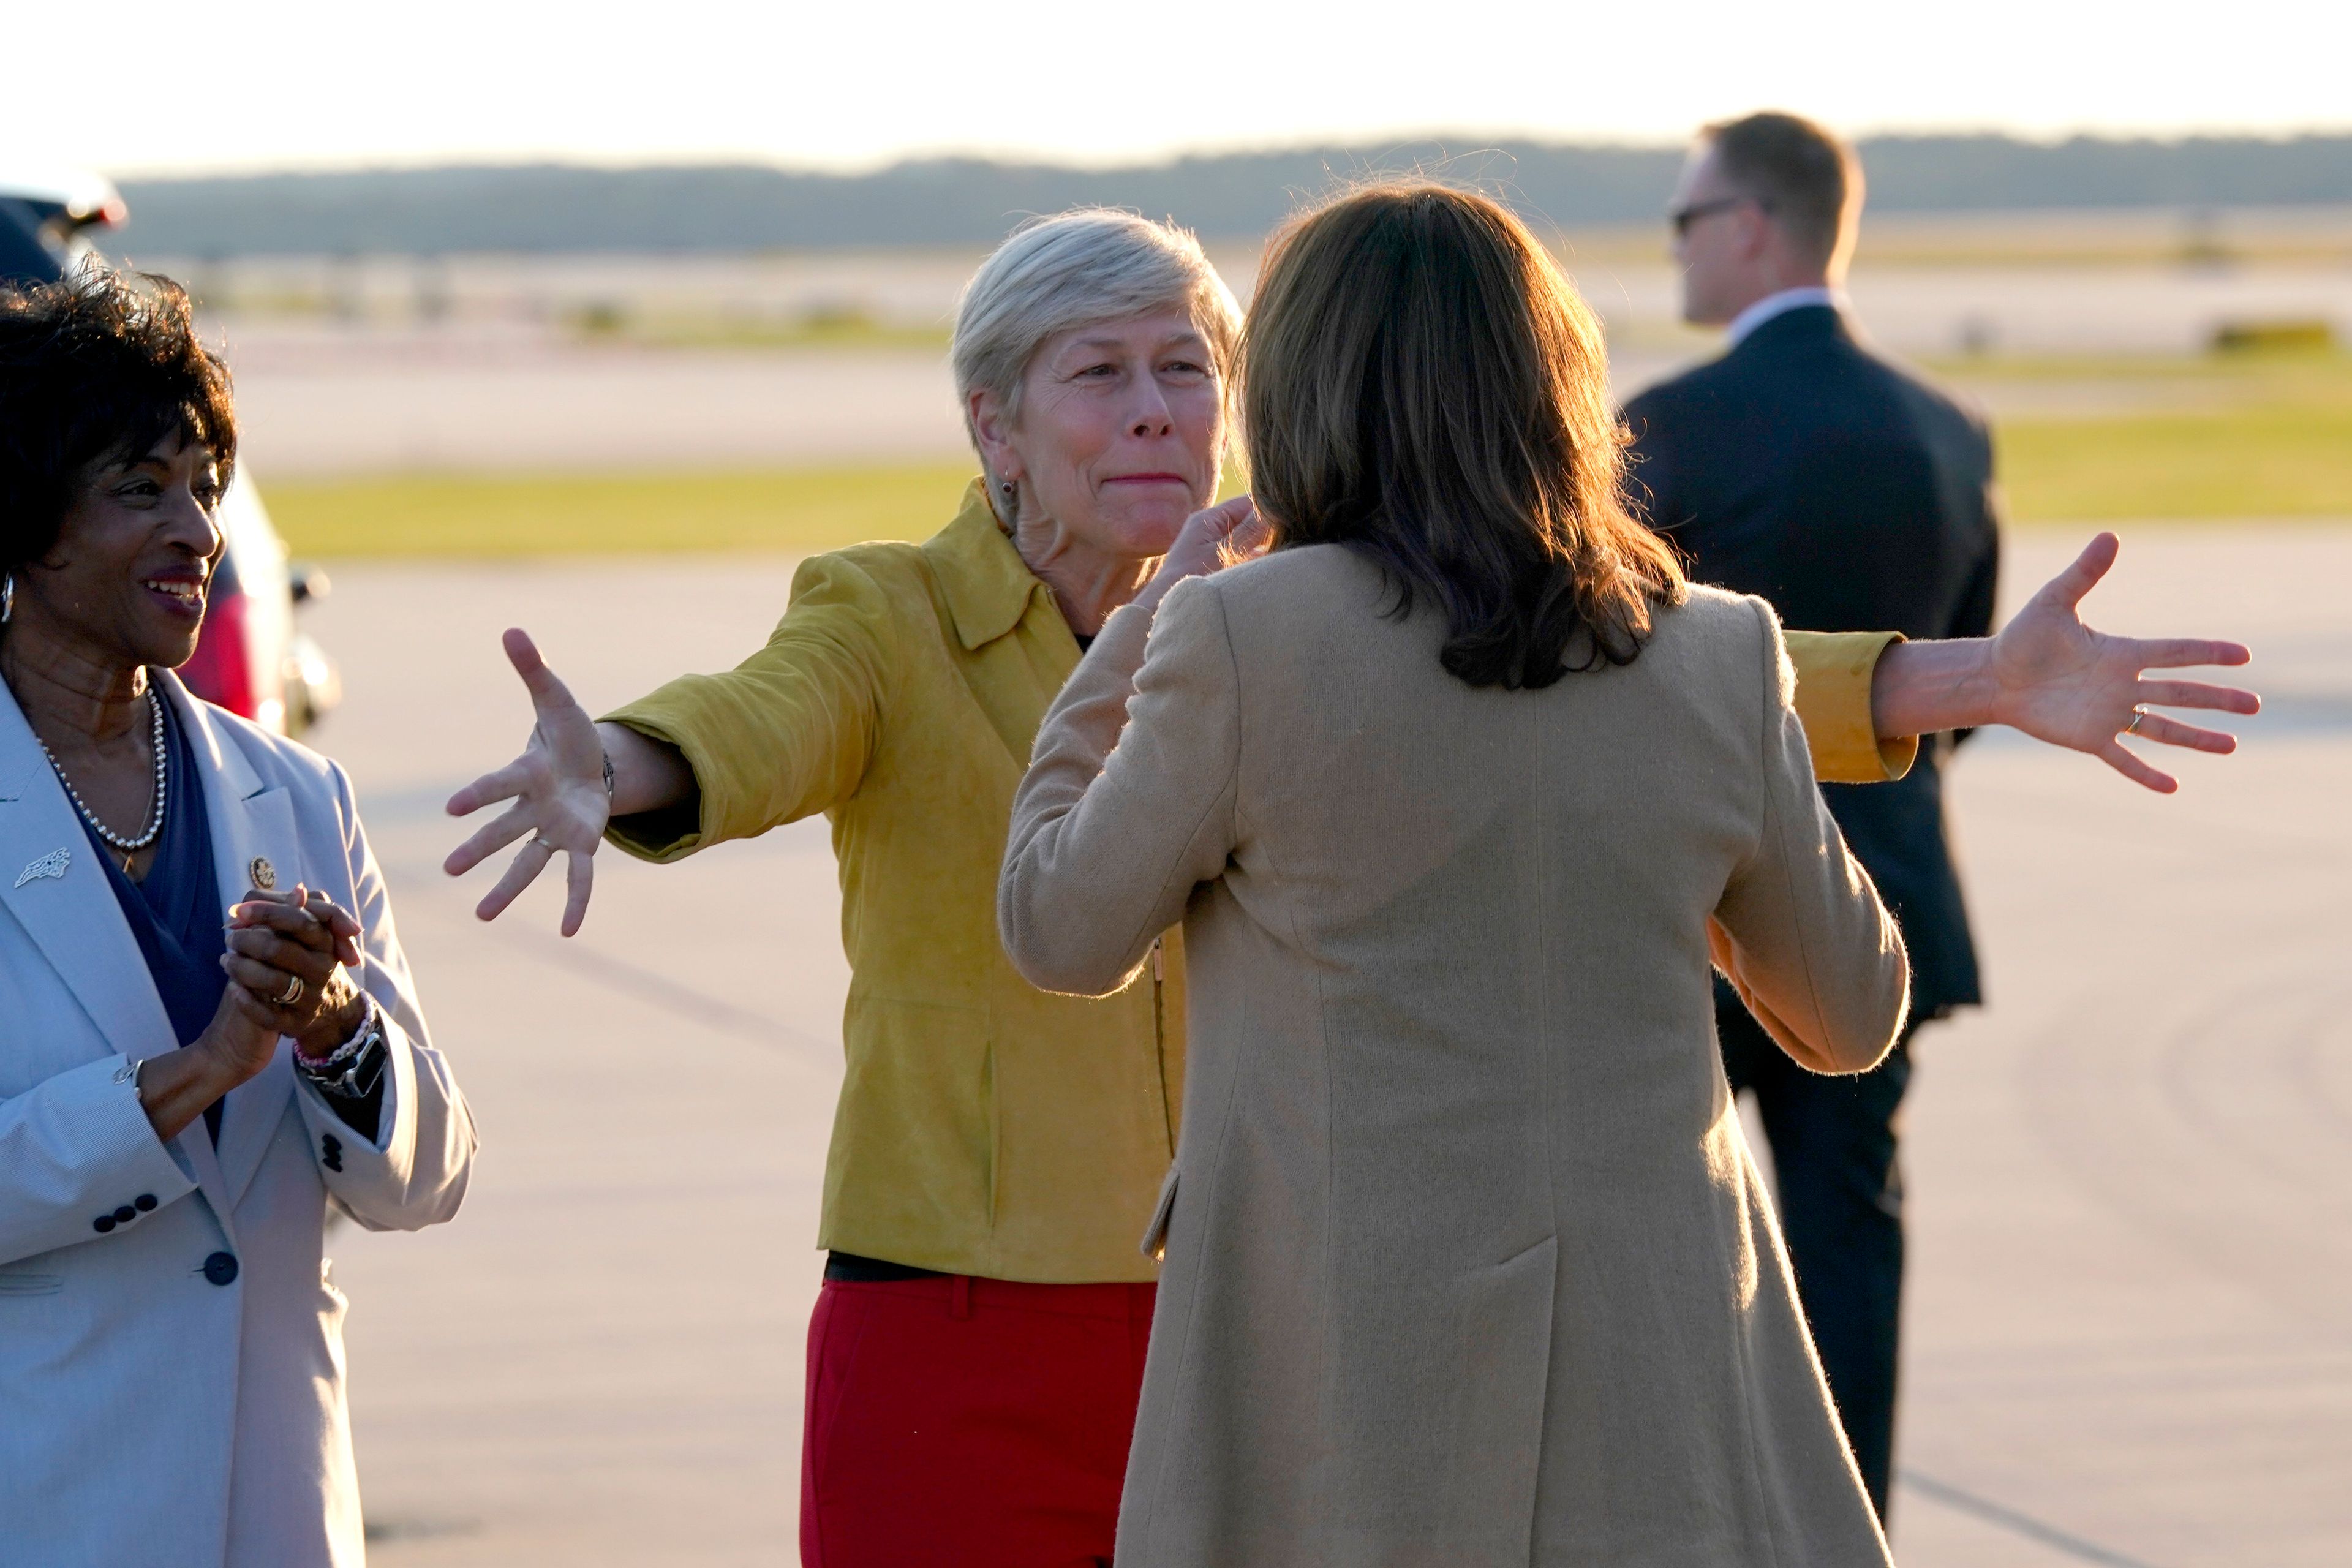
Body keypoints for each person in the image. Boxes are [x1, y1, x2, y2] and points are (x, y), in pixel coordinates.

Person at [450, 210, 2253, 1566]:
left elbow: (1629, 696)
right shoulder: (897, 613)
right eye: (1102, 373)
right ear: (994, 427)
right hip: (993, 1327)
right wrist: (608, 768)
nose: (1156, 411)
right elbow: (758, 724)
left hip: (1294, 1345)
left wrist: (1964, 679)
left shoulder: (1274, 629)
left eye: (1188, 368)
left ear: (1270, 395)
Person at [0, 271, 475, 1566]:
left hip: (276, 1510)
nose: (198, 528)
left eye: (206, 482)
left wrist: (337, 1030)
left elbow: (428, 1176)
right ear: (24, 520)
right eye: (139, 488)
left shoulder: (301, 795)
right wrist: (191, 1074)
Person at [1623, 110, 2044, 1514]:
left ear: (1751, 224)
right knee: (1851, 1237)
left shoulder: (1666, 427)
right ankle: (1849, 1522)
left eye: (1687, 218)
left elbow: (1620, 673)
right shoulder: (1945, 425)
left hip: (1694, 906)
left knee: (1656, 1237)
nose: (1675, 244)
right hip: (1891, 896)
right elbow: (1968, 679)